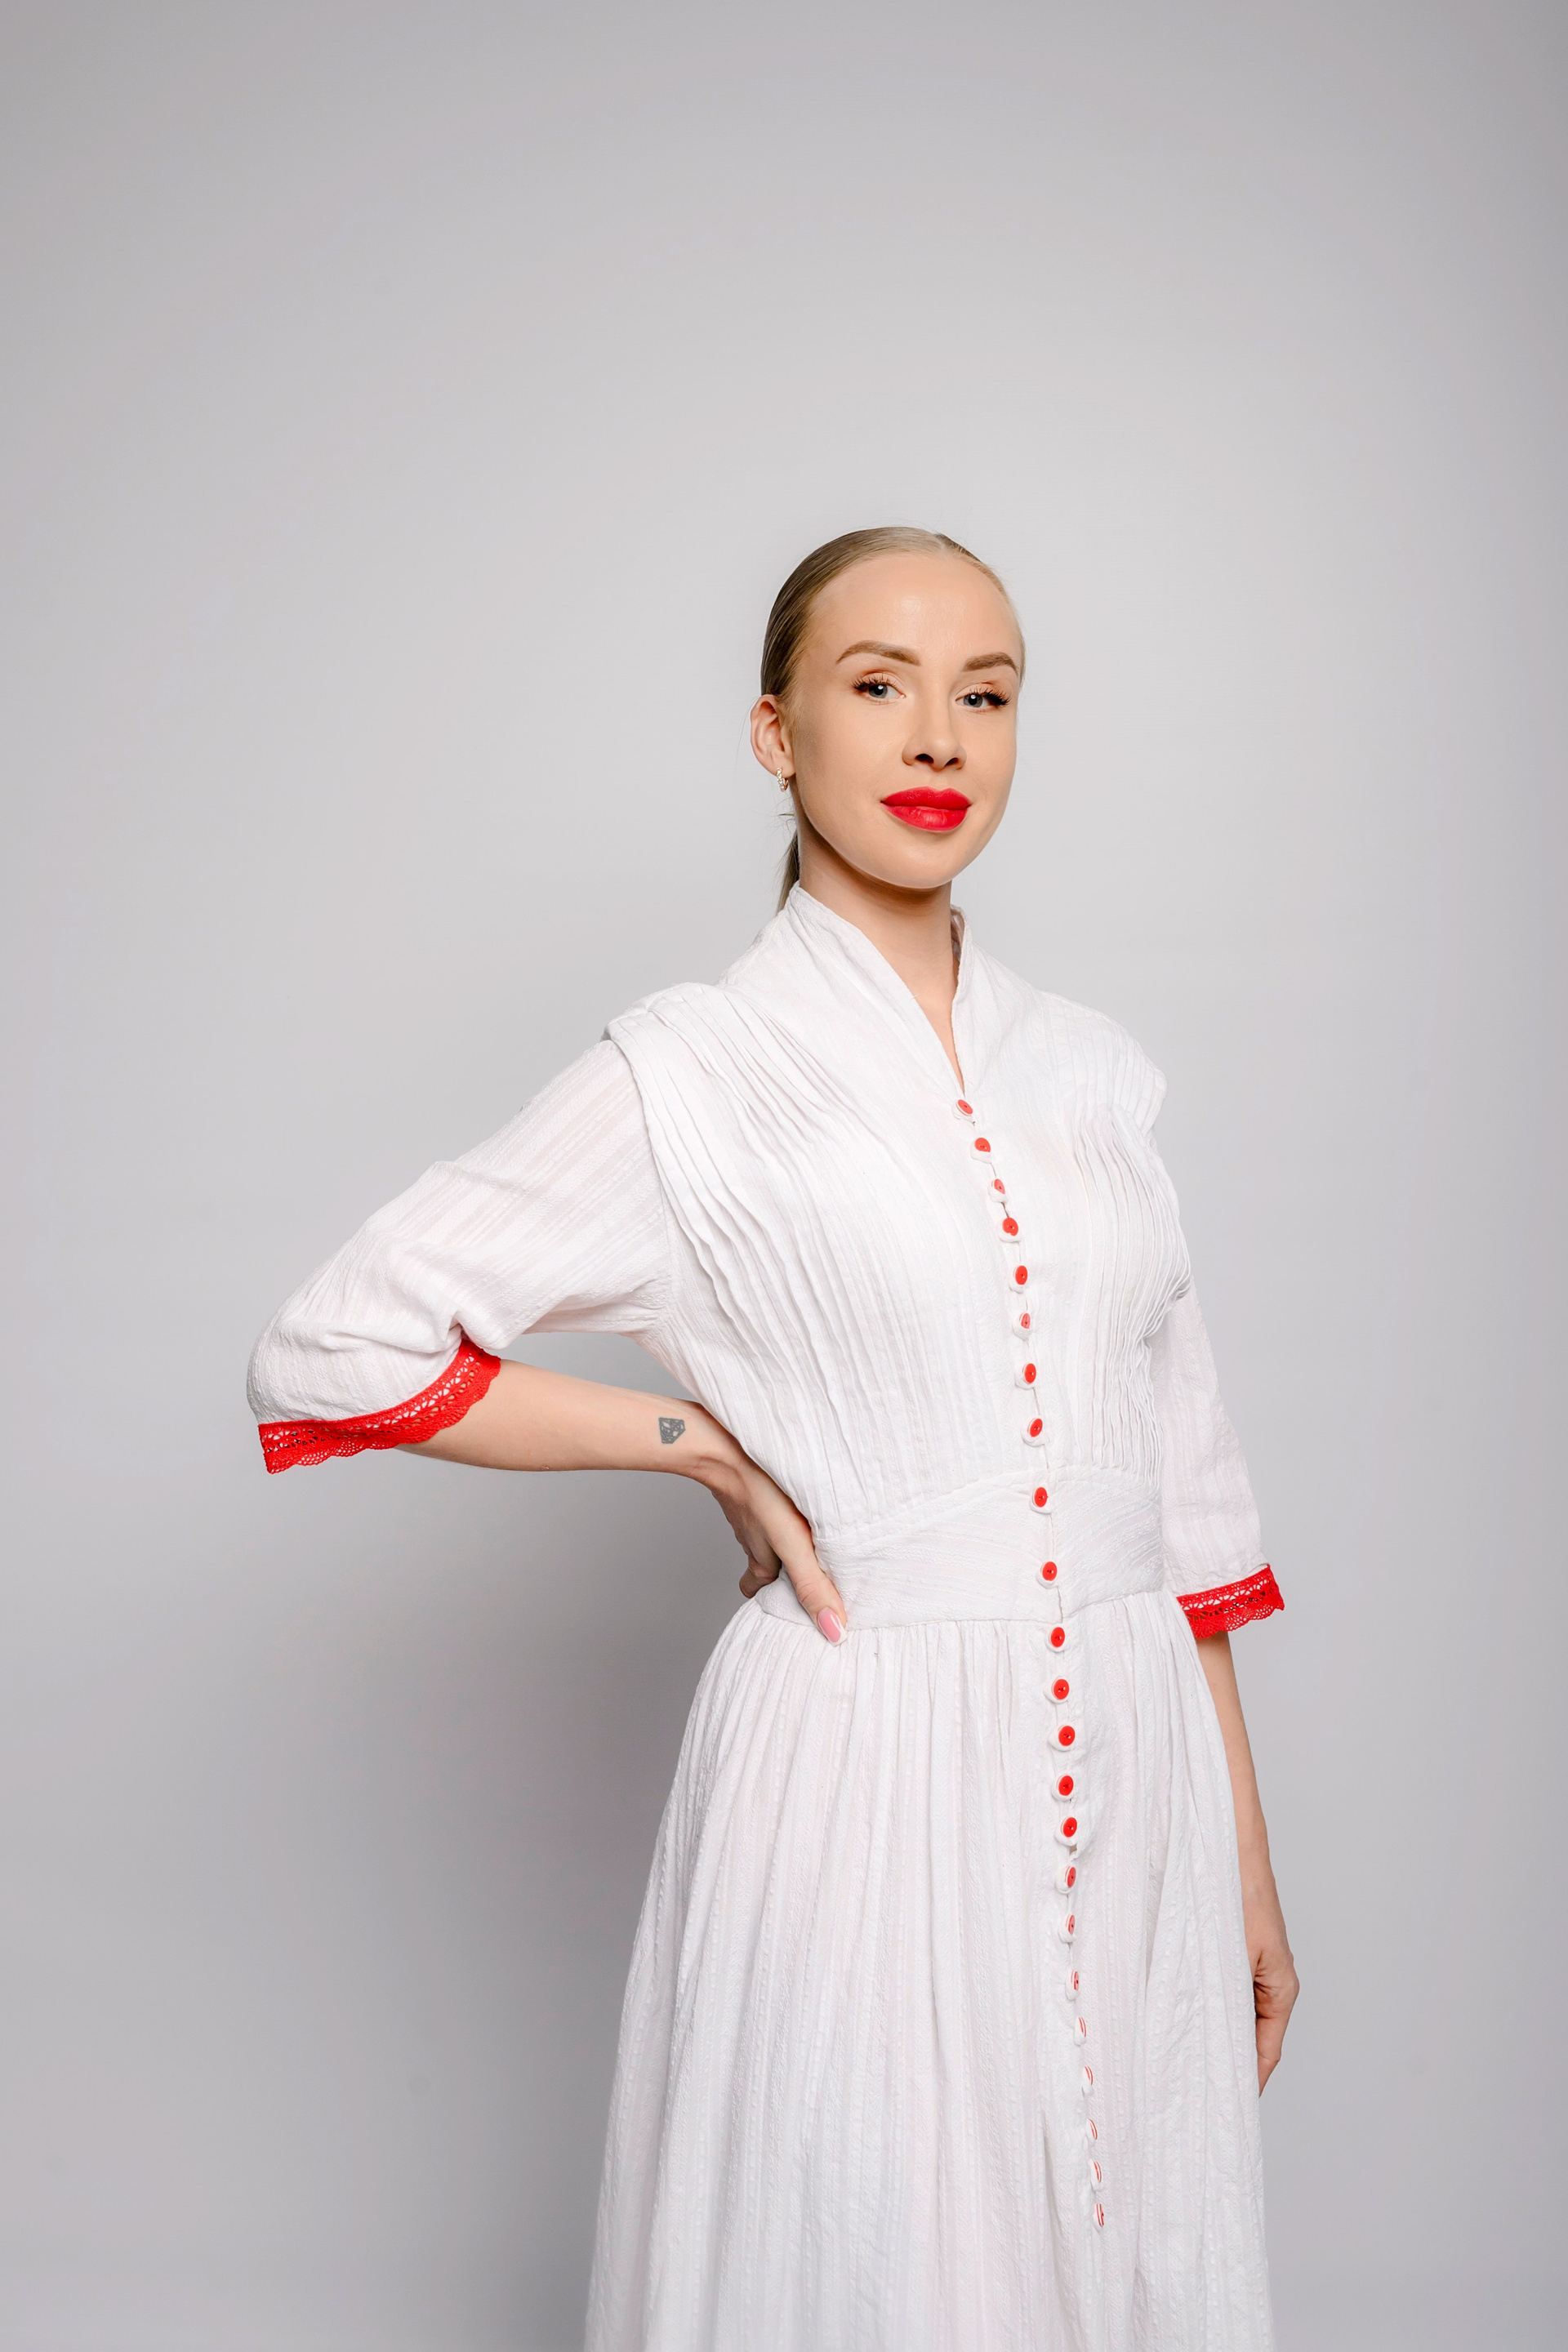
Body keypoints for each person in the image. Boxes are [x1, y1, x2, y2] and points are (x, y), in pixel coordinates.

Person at [248, 525, 1297, 2351]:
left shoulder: (1097, 1075)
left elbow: (1183, 1495)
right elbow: (333, 1344)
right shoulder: (695, 1068)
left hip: (1138, 1767)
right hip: (864, 1763)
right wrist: (701, 1443)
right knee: (874, 2255)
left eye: (986, 694)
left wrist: (1246, 1862)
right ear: (775, 734)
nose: (939, 736)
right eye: (878, 685)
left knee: (1131, 2243)